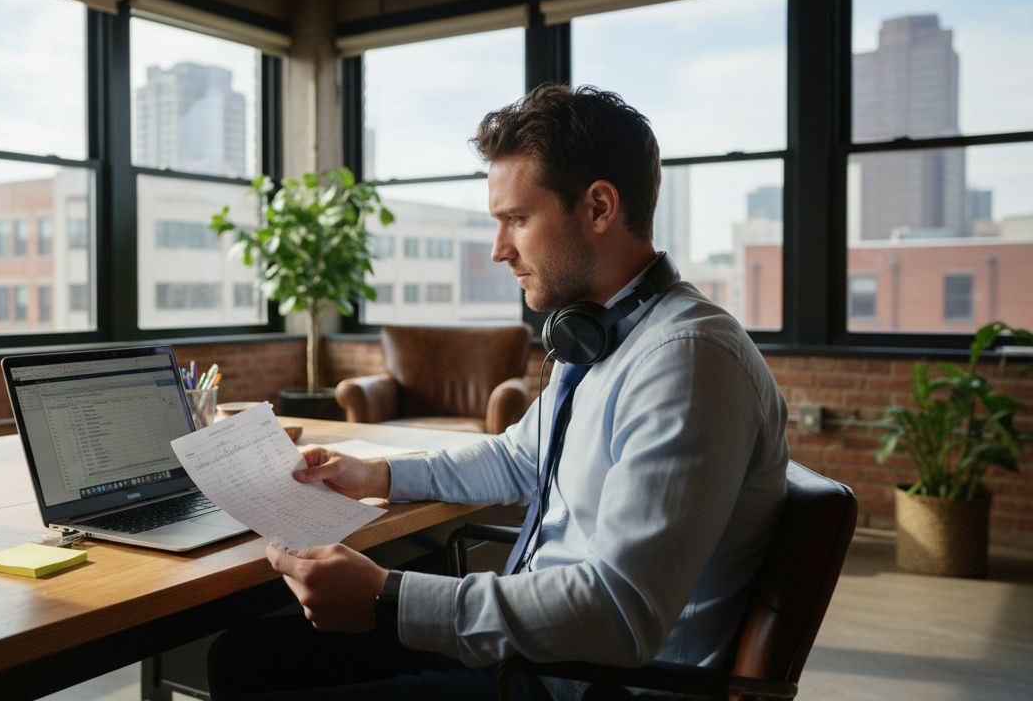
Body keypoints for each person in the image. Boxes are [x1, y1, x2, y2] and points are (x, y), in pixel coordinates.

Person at [206, 84, 789, 700]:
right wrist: (374, 475)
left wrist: (388, 596)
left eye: (517, 219)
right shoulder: (599, 333)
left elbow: (621, 616)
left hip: (583, 683)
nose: (498, 249)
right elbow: (519, 456)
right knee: (245, 656)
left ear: (598, 208)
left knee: (257, 672)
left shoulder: (686, 361)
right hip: (539, 650)